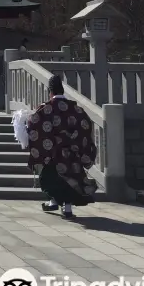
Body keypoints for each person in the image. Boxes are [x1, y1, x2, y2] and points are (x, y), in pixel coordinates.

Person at [26, 74, 97, 219]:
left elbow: (34, 124)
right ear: (62, 90)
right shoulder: (75, 109)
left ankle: (56, 202)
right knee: (70, 179)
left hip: (54, 154)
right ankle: (64, 205)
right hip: (72, 154)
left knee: (49, 179)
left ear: (50, 91)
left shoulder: (46, 109)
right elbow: (86, 126)